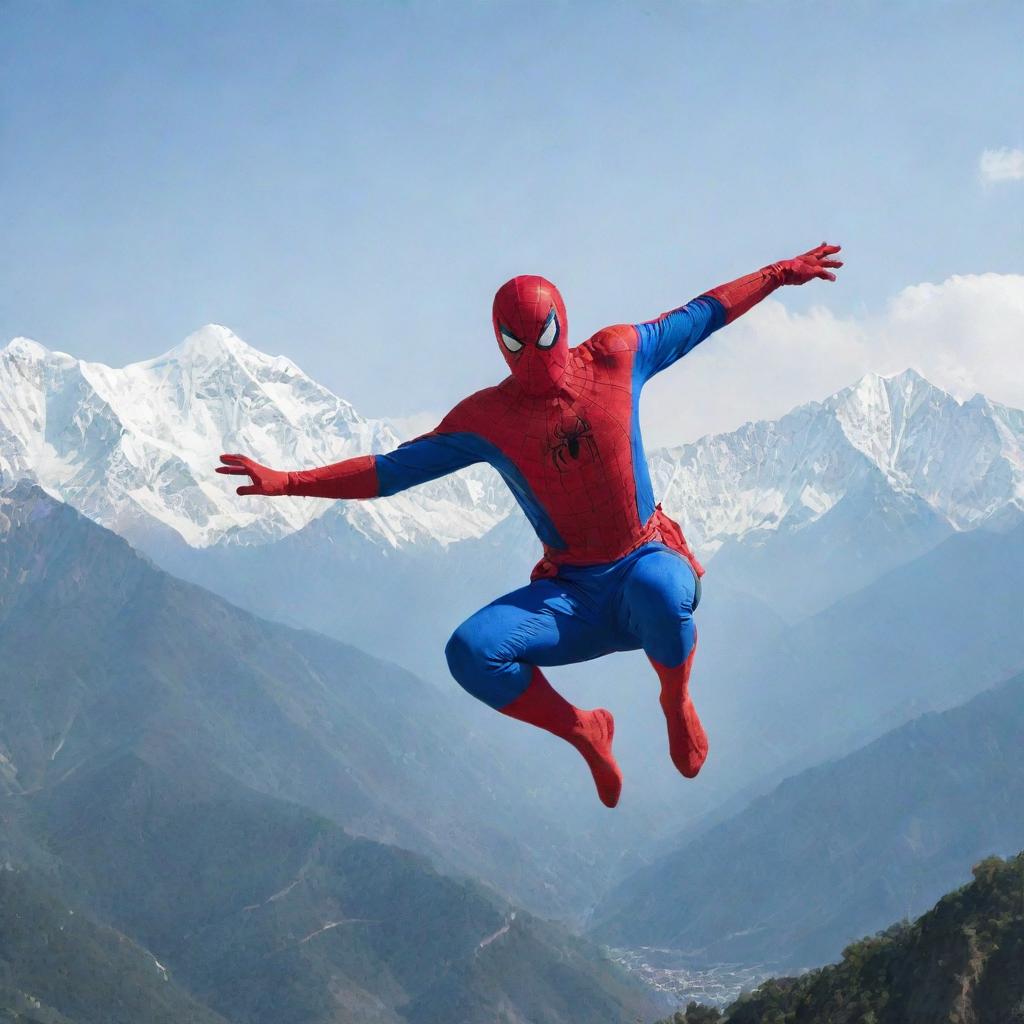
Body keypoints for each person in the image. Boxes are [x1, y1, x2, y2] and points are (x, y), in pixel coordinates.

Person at [218, 243, 842, 807]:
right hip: (571, 594)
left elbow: (702, 314)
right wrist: (288, 482)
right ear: (499, 343)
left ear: (562, 324)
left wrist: (778, 274)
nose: (534, 356)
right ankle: (585, 730)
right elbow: (392, 471)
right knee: (471, 651)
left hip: (646, 560)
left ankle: (675, 699)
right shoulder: (489, 419)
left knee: (660, 589)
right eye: (517, 345)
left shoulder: (618, 357)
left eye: (542, 337)